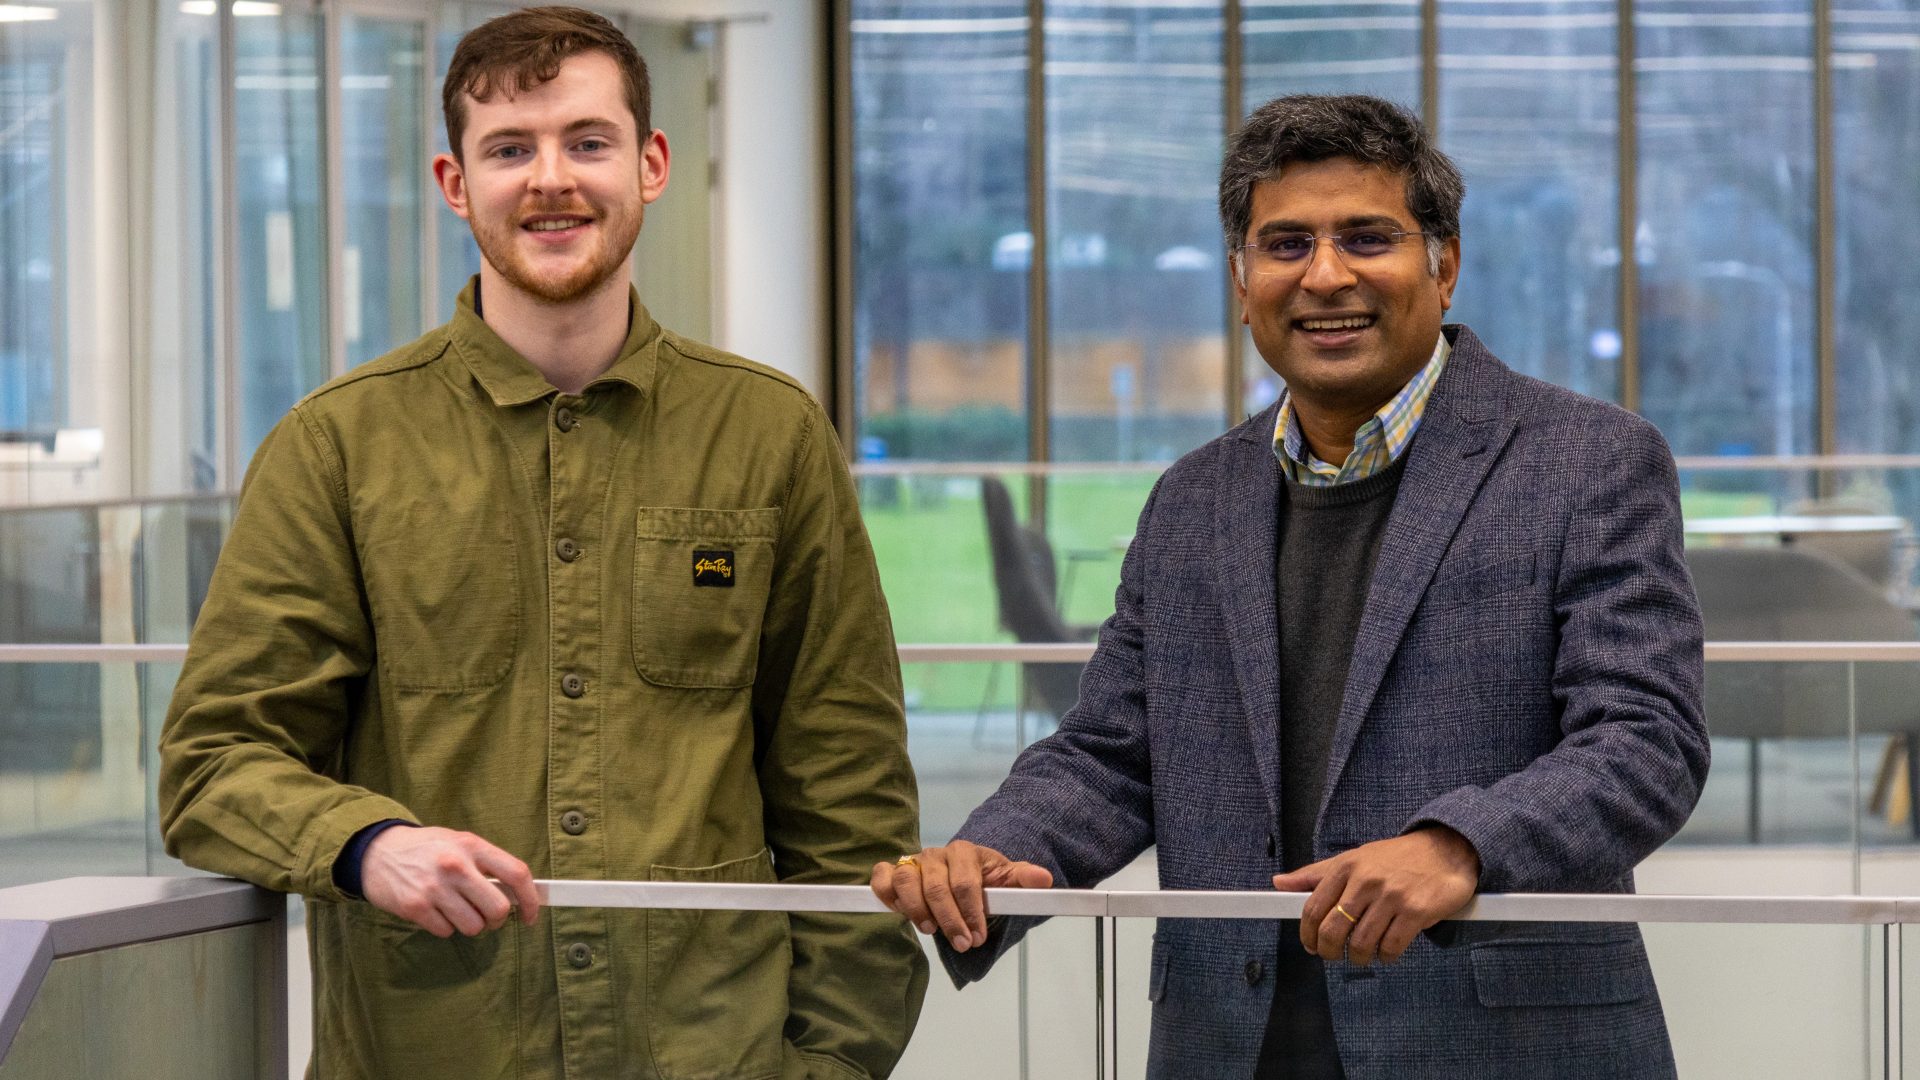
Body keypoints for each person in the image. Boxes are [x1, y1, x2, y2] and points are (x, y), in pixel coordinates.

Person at [872, 94, 1709, 1079]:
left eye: (1367, 237)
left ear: (1443, 264)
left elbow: (1644, 740)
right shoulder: (1191, 499)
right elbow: (1114, 750)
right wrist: (999, 851)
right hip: (1231, 1048)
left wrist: (1458, 846)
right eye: (1285, 244)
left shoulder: (1589, 462)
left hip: (1503, 1046)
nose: (1325, 276)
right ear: (1240, 279)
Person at [158, 8, 925, 1078]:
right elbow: (213, 763)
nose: (550, 178)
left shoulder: (769, 435)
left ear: (651, 163)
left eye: (587, 141)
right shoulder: (335, 446)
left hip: (715, 1054)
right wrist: (366, 842)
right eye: (509, 148)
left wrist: (834, 1064)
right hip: (432, 1052)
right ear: (453, 182)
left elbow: (846, 795)